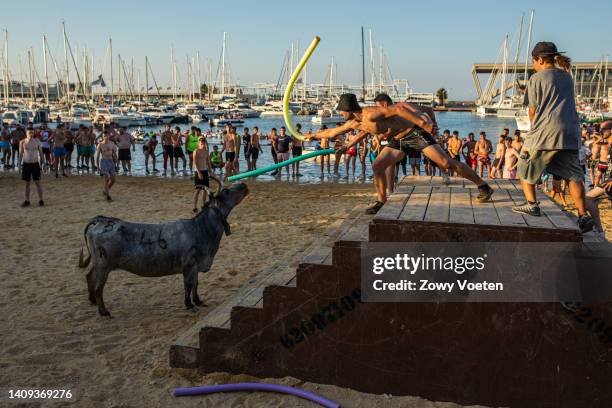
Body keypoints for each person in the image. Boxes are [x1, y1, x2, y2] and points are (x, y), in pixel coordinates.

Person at [308, 93, 493, 213]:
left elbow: (398, 109)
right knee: (378, 165)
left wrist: (423, 124)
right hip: (398, 140)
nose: (340, 115)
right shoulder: (354, 123)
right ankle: (381, 201)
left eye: (341, 111)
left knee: (446, 164)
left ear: (349, 110)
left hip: (414, 134)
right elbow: (332, 132)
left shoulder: (370, 114)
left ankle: (483, 185)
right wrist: (311, 135)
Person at [512, 41, 593, 232]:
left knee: (524, 166)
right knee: (574, 176)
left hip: (546, 132)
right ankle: (582, 216)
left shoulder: (536, 78)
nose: (533, 64)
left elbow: (533, 111)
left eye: (533, 60)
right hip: (570, 133)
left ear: (539, 59)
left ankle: (532, 204)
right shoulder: (567, 77)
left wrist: (533, 134)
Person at [19, 128, 44, 207]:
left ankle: (41, 200)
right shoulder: (22, 142)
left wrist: (44, 164)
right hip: (26, 164)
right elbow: (20, 154)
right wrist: (19, 165)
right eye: (29, 133)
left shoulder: (37, 141)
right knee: (27, 183)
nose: (31, 134)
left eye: (32, 133)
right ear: (26, 133)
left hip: (35, 164)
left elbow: (41, 153)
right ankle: (27, 200)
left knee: (38, 183)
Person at [95, 130, 118, 201]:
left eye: (107, 135)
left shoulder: (112, 143)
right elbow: (97, 156)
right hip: (104, 162)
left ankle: (105, 190)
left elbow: (114, 154)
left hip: (111, 161)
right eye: (104, 136)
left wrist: (116, 164)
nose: (106, 137)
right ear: (102, 136)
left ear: (109, 135)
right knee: (107, 178)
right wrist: (98, 166)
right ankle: (108, 196)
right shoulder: (100, 144)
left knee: (113, 179)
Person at [192, 137, 212, 213]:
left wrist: (210, 171)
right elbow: (195, 163)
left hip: (205, 171)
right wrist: (199, 172)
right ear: (198, 142)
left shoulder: (206, 151)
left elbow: (208, 162)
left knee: (205, 190)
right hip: (198, 171)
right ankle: (195, 207)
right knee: (197, 190)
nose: (202, 142)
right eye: (200, 141)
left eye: (203, 141)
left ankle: (203, 205)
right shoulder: (196, 151)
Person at [593, 121, 610, 187]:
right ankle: (595, 188)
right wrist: (600, 138)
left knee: (606, 179)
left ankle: (604, 190)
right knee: (598, 176)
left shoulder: (608, 143)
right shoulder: (603, 142)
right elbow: (595, 143)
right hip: (601, 162)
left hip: (608, 163)